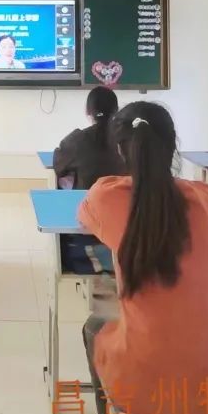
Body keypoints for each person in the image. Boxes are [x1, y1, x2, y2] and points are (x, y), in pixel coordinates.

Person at [78, 102, 208, 414]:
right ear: (172, 146)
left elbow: (85, 215)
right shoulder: (207, 199)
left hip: (149, 378)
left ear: (121, 150)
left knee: (95, 327)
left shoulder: (108, 196)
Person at [53, 86, 125, 278]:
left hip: (86, 245)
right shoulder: (129, 141)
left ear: (88, 111)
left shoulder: (77, 141)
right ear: (116, 110)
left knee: (63, 185)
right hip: (129, 244)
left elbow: (58, 165)